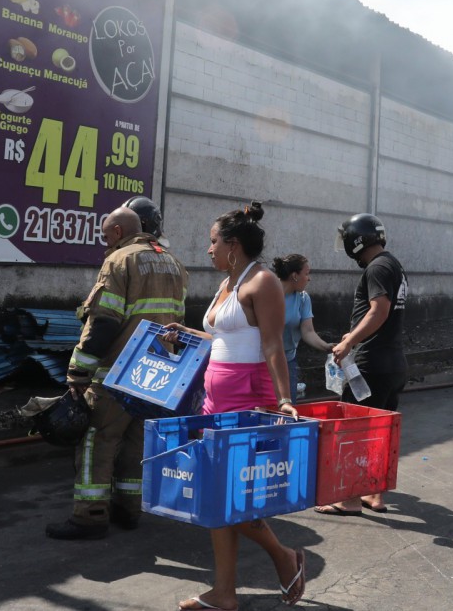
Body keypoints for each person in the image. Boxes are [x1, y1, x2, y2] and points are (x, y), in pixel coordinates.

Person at [165, 202, 306, 611]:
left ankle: (283, 556)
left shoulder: (263, 282)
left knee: (229, 495)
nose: (208, 249)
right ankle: (224, 593)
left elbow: (272, 345)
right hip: (215, 402)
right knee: (217, 495)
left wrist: (284, 400)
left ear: (234, 245)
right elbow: (223, 340)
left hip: (249, 400)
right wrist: (186, 333)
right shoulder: (228, 282)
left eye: (214, 242)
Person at [46, 202, 188, 540]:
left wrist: (78, 372)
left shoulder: (119, 260)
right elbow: (179, 323)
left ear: (119, 231)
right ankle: (129, 509)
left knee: (98, 439)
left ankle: (90, 516)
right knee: (136, 443)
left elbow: (104, 322)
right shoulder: (174, 264)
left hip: (117, 373)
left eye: (105, 236)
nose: (104, 243)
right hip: (157, 375)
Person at [315, 213, 408, 517]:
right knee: (379, 432)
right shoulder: (393, 264)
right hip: (392, 363)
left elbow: (379, 310)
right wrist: (354, 336)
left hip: (371, 364)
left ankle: (349, 500)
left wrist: (349, 342)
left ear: (356, 241)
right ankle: (373, 493)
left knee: (354, 431)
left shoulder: (377, 267)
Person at [272, 253, 334, 400]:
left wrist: (327, 346)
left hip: (288, 361)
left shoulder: (303, 298)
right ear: (295, 276)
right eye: (306, 274)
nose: (309, 278)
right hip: (264, 361)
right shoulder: (267, 294)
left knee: (286, 406)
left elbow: (308, 331)